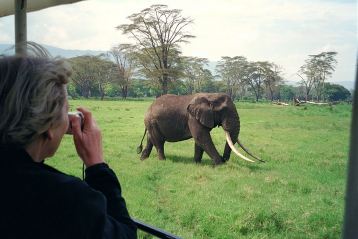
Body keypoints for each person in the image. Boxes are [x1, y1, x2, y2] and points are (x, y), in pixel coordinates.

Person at [0, 47, 137, 238]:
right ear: (48, 125)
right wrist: (97, 166)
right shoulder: (66, 197)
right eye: (66, 109)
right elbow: (125, 235)